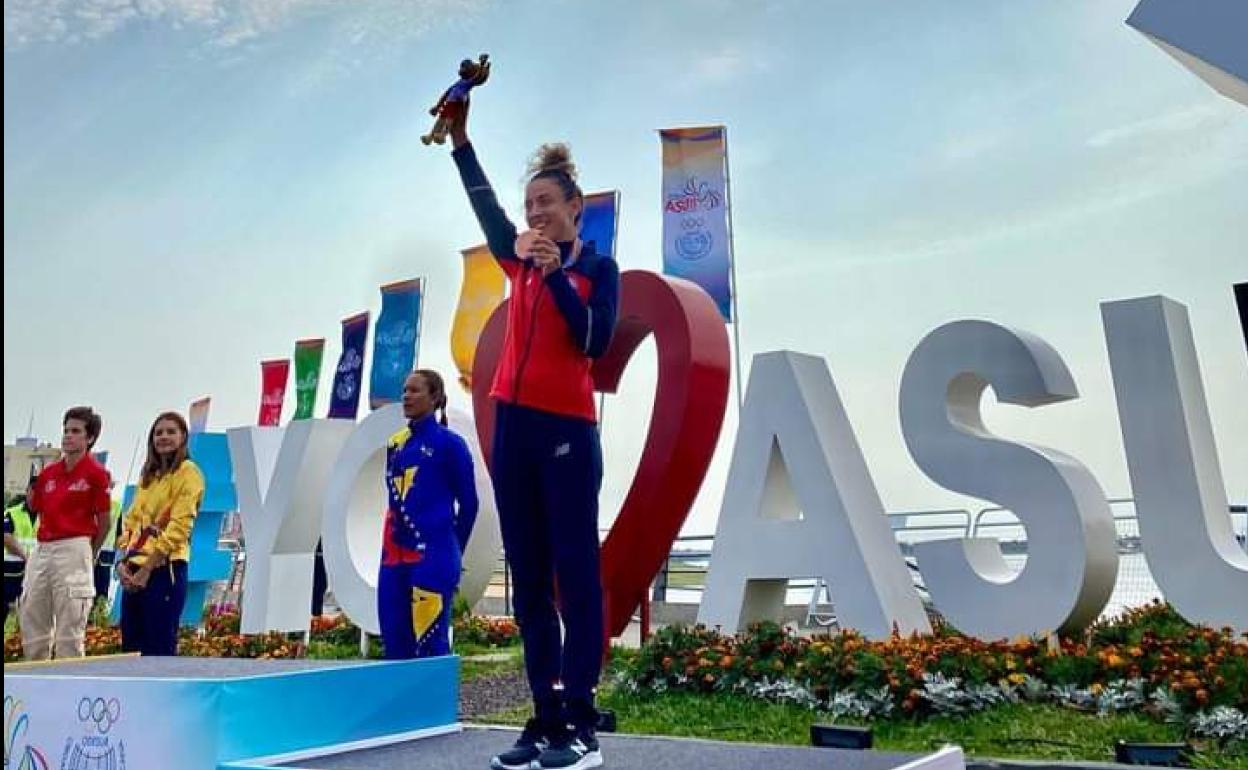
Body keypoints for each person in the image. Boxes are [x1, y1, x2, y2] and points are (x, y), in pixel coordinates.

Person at [449, 101, 619, 770]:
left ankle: (581, 721)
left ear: (576, 207)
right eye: (529, 203)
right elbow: (482, 205)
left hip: (568, 432)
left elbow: (594, 343)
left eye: (546, 201)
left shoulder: (594, 272)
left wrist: (556, 280)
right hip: (512, 429)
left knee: (574, 577)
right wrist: (461, 142)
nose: (533, 213)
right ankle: (544, 718)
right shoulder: (515, 260)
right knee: (527, 582)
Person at [379, 369, 479, 659]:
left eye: (415, 390)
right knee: (395, 644)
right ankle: (400, 705)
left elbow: (469, 504)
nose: (406, 396)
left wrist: (453, 550)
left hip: (433, 557)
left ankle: (434, 705)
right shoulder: (395, 444)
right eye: (404, 390)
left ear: (434, 397)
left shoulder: (451, 445)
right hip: (393, 558)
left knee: (429, 644)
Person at [19, 406, 113, 660]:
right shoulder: (49, 473)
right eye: (66, 430)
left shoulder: (96, 474)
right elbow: (35, 508)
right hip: (44, 548)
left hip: (75, 545)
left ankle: (68, 685)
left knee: (70, 627)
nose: (68, 436)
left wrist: (88, 553)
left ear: (89, 438)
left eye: (75, 431)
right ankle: (34, 681)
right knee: (32, 616)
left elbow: (105, 521)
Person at [116, 411, 204, 656]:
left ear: (183, 437)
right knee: (130, 648)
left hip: (165, 569)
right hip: (134, 571)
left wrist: (147, 568)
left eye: (170, 432)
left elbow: (179, 527)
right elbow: (132, 521)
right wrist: (124, 562)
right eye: (158, 432)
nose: (163, 437)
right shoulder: (149, 476)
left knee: (158, 648)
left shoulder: (189, 473)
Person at [3, 480, 38, 626]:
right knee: (6, 607)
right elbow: (6, 537)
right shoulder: (12, 513)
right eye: (33, 490)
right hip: (11, 569)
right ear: (27, 491)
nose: (35, 494)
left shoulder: (48, 516)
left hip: (35, 570)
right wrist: (25, 556)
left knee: (30, 612)